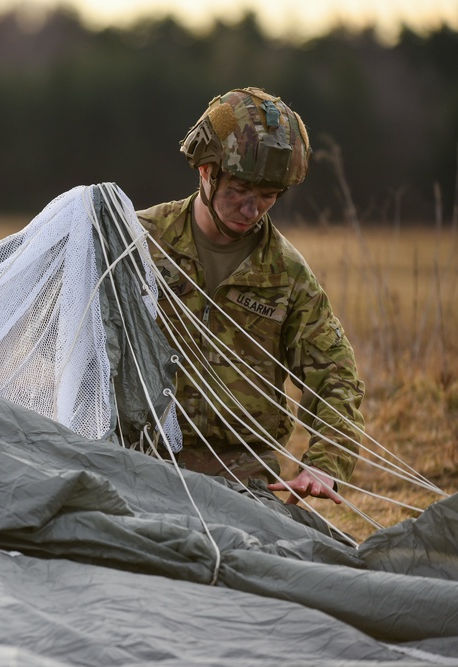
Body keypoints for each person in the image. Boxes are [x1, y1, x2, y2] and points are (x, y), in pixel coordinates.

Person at [136, 87, 364, 506]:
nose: (251, 209)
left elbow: (335, 373)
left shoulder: (287, 274)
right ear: (207, 172)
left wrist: (325, 464)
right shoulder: (137, 241)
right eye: (240, 190)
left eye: (268, 197)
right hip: (137, 460)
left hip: (244, 477)